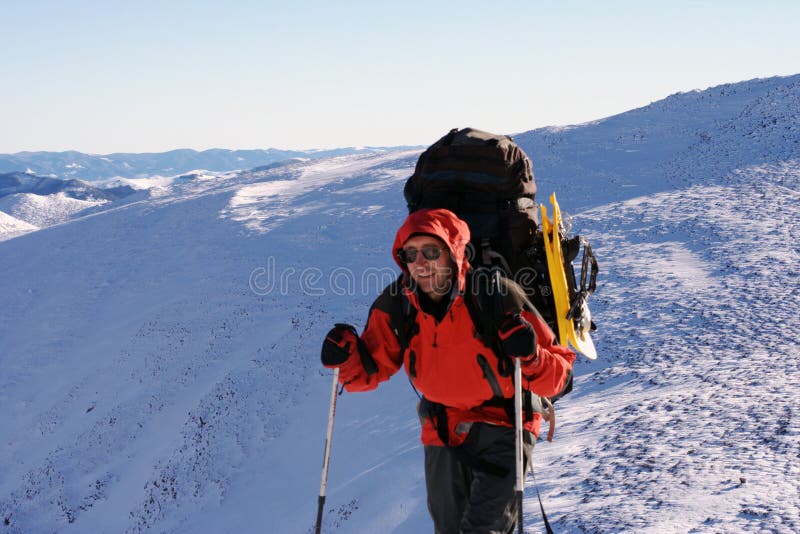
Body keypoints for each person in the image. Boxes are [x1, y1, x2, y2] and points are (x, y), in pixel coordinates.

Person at [321, 208, 575, 534]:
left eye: (431, 252)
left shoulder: (496, 295)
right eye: (410, 254)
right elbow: (370, 367)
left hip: (505, 425)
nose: (420, 263)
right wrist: (345, 359)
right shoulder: (400, 302)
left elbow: (562, 376)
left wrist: (532, 357)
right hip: (442, 427)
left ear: (453, 254)